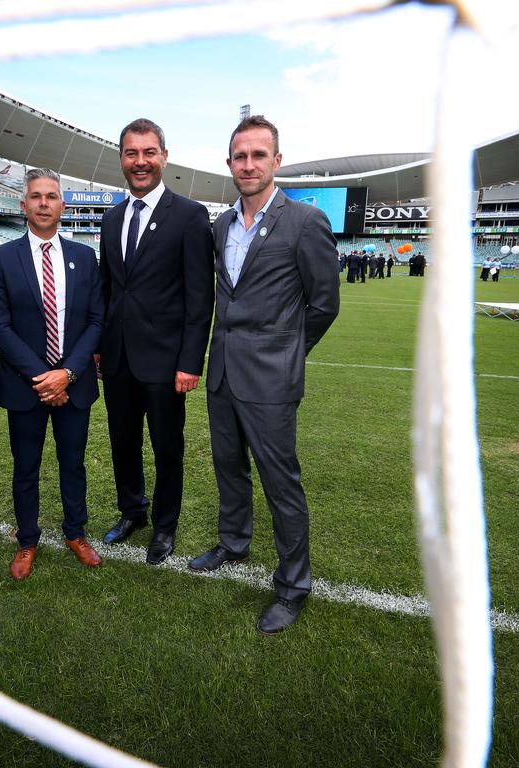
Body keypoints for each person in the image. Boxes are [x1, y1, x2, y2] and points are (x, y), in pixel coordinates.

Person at [192, 115, 339, 634]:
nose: (248, 164)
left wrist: (286, 352)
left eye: (258, 155)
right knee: (228, 469)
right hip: (223, 374)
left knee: (281, 483)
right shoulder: (220, 226)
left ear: (276, 162)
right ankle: (234, 544)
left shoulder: (304, 221)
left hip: (271, 380)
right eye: (240, 156)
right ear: (229, 164)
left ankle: (293, 586)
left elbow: (323, 305)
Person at [97, 118, 214, 565]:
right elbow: (109, 289)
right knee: (122, 443)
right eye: (132, 153)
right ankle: (132, 512)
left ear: (164, 156)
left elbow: (200, 297)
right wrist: (98, 349)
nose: (140, 161)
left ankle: (165, 527)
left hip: (166, 364)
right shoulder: (111, 218)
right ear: (122, 159)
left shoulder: (189, 215)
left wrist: (190, 361)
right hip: (117, 360)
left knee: (167, 448)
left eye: (149, 152)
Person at [0, 169, 104, 580]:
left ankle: (76, 532)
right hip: (26, 386)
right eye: (35, 196)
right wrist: (44, 376)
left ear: (62, 205)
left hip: (75, 384)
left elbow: (95, 320)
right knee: (26, 466)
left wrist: (68, 373)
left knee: (73, 463)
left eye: (51, 196)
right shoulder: (3, 257)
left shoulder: (85, 256)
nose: (43, 203)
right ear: (24, 205)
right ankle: (28, 540)